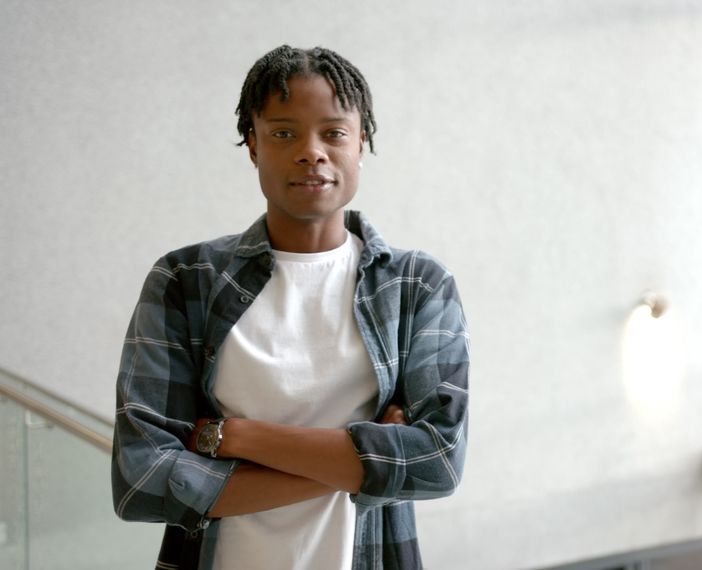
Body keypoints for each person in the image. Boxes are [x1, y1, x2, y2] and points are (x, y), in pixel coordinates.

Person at [111, 45, 469, 570]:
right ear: (253, 145)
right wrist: (367, 461)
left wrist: (237, 438)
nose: (311, 151)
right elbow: (141, 478)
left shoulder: (417, 285)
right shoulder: (186, 280)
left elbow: (437, 462)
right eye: (283, 133)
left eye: (334, 132)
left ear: (360, 144)